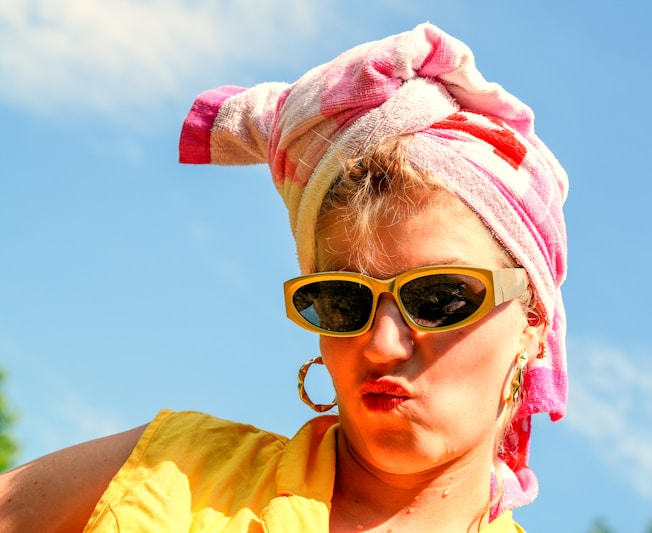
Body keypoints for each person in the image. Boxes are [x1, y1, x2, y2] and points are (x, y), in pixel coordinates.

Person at [0, 23, 568, 532]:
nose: (382, 343)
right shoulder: (170, 473)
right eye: (343, 301)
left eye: (440, 296)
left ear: (533, 322)